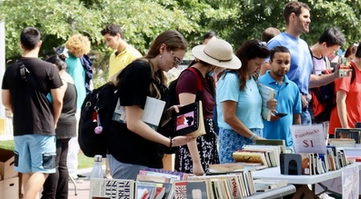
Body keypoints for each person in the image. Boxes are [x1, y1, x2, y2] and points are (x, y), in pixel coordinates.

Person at [106, 30, 197, 180]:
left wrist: (167, 114)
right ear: (163, 49)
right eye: (175, 59)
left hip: (146, 154)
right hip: (129, 154)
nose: (175, 65)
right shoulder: (139, 71)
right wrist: (169, 142)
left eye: (179, 62)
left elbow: (146, 120)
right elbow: (133, 123)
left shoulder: (155, 75)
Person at [2, 27, 64, 199]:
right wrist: (53, 120)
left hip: (20, 127)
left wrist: (18, 110)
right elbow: (59, 100)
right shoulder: (49, 69)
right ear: (39, 44)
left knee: (28, 169)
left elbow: (5, 101)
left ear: (21, 44)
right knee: (43, 170)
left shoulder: (10, 69)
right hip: (43, 125)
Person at [174, 38, 241, 175]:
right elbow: (186, 121)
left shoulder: (207, 78)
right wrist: (196, 161)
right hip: (193, 146)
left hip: (207, 143)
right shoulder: (190, 77)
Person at [217, 40, 273, 163]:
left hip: (254, 138)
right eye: (257, 64)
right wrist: (254, 137)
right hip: (236, 139)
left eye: (261, 65)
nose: (259, 69)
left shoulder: (251, 78)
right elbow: (229, 117)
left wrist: (267, 107)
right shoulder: (231, 79)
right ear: (245, 59)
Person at [266, 1, 314, 124]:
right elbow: (264, 78)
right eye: (305, 16)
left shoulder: (304, 45)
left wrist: (334, 76)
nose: (309, 20)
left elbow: (307, 80)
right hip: (283, 110)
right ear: (293, 16)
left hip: (304, 111)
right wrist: (294, 96)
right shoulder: (277, 43)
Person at [41, 54, 76, 199]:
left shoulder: (60, 82)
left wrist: (53, 121)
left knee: (53, 163)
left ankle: (49, 198)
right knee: (62, 163)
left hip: (60, 123)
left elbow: (58, 101)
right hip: (69, 123)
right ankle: (61, 197)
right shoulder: (70, 79)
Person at [258, 46, 302, 147]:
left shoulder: (293, 87)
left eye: (287, 62)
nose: (283, 66)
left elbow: (297, 117)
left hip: (288, 146)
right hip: (264, 144)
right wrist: (265, 111)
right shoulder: (259, 83)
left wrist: (297, 143)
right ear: (270, 62)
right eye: (279, 62)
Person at [64, 34, 91, 178]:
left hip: (80, 102)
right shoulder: (67, 59)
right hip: (73, 104)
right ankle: (70, 171)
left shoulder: (79, 60)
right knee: (71, 138)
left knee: (75, 138)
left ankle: (72, 169)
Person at [309, 27, 347, 123]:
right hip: (309, 109)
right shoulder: (306, 56)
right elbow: (305, 80)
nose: (332, 54)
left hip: (323, 108)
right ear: (324, 44)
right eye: (332, 50)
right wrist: (334, 75)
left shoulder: (326, 59)